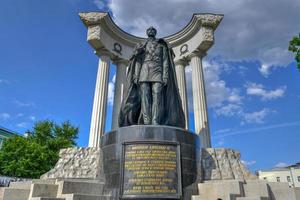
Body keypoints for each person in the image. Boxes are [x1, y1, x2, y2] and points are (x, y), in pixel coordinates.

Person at [119, 27, 185, 128]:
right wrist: (136, 75)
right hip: (144, 72)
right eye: (149, 30)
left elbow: (165, 62)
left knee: (157, 96)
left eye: (153, 30)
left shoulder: (162, 46)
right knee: (144, 97)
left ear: (155, 33)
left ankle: (155, 120)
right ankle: (146, 121)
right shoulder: (142, 45)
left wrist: (165, 75)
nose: (151, 31)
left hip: (158, 72)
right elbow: (138, 61)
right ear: (147, 33)